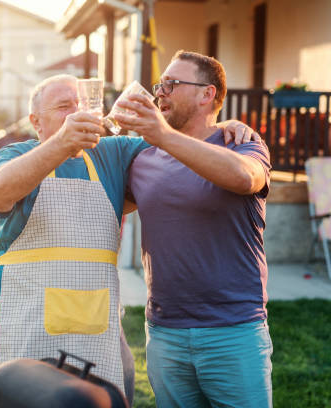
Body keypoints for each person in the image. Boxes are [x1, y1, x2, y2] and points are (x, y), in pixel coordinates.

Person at [0, 74, 258, 405]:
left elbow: (182, 137)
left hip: (96, 328)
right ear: (35, 122)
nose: (76, 113)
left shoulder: (113, 153)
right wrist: (61, 143)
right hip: (25, 325)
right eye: (63, 107)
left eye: (80, 104)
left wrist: (223, 124)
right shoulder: (15, 155)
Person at [115, 51, 272, 408]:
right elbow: (105, 205)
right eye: (160, 85)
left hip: (234, 331)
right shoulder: (143, 158)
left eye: (172, 84)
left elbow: (244, 178)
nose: (160, 93)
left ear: (207, 94)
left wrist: (163, 136)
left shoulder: (242, 143)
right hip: (164, 332)